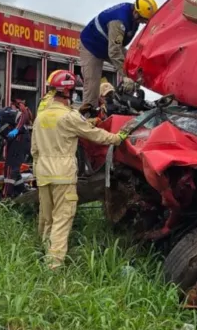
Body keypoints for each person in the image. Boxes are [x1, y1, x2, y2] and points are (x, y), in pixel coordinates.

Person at [31, 70, 126, 269]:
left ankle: (41, 253)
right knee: (62, 219)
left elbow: (34, 149)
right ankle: (53, 266)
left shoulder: (41, 117)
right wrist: (117, 138)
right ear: (68, 92)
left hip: (43, 174)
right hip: (63, 175)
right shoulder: (69, 116)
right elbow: (94, 135)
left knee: (46, 217)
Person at [78, 0, 158, 108]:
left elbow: (118, 47)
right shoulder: (119, 21)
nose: (144, 23)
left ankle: (130, 101)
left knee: (135, 65)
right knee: (92, 85)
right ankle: (88, 117)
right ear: (136, 12)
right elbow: (114, 52)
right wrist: (126, 75)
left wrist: (133, 76)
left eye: (146, 21)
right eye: (143, 20)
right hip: (91, 46)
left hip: (109, 44)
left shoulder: (134, 14)